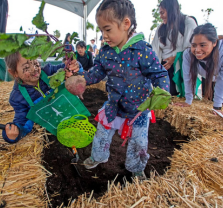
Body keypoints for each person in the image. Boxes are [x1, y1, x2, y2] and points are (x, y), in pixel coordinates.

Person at [79, 0, 170, 180]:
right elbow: (98, 71)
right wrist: (83, 79)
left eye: (108, 29)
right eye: (102, 31)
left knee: (139, 143)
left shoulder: (142, 50)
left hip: (138, 110)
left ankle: (136, 168)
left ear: (126, 24)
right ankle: (98, 157)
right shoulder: (105, 52)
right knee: (102, 134)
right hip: (114, 106)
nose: (104, 36)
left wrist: (162, 93)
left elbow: (159, 74)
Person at [2, 52, 82, 143]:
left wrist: (74, 66)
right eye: (26, 68)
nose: (34, 69)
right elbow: (22, 123)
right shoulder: (17, 98)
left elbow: (68, 68)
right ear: (14, 72)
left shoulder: (49, 71)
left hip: (73, 116)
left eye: (35, 62)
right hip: (53, 132)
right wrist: (14, 134)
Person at [175, 23, 223, 116]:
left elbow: (221, 81)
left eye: (202, 45)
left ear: (214, 43)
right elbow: (188, 78)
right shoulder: (188, 54)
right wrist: (188, 100)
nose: (197, 50)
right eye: (194, 45)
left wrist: (217, 107)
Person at [152, 0, 197, 95]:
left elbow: (191, 47)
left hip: (181, 66)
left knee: (181, 94)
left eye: (162, 12)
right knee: (166, 96)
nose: (161, 16)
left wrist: (175, 58)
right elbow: (154, 50)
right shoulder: (161, 29)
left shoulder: (187, 22)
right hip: (164, 68)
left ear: (171, 10)